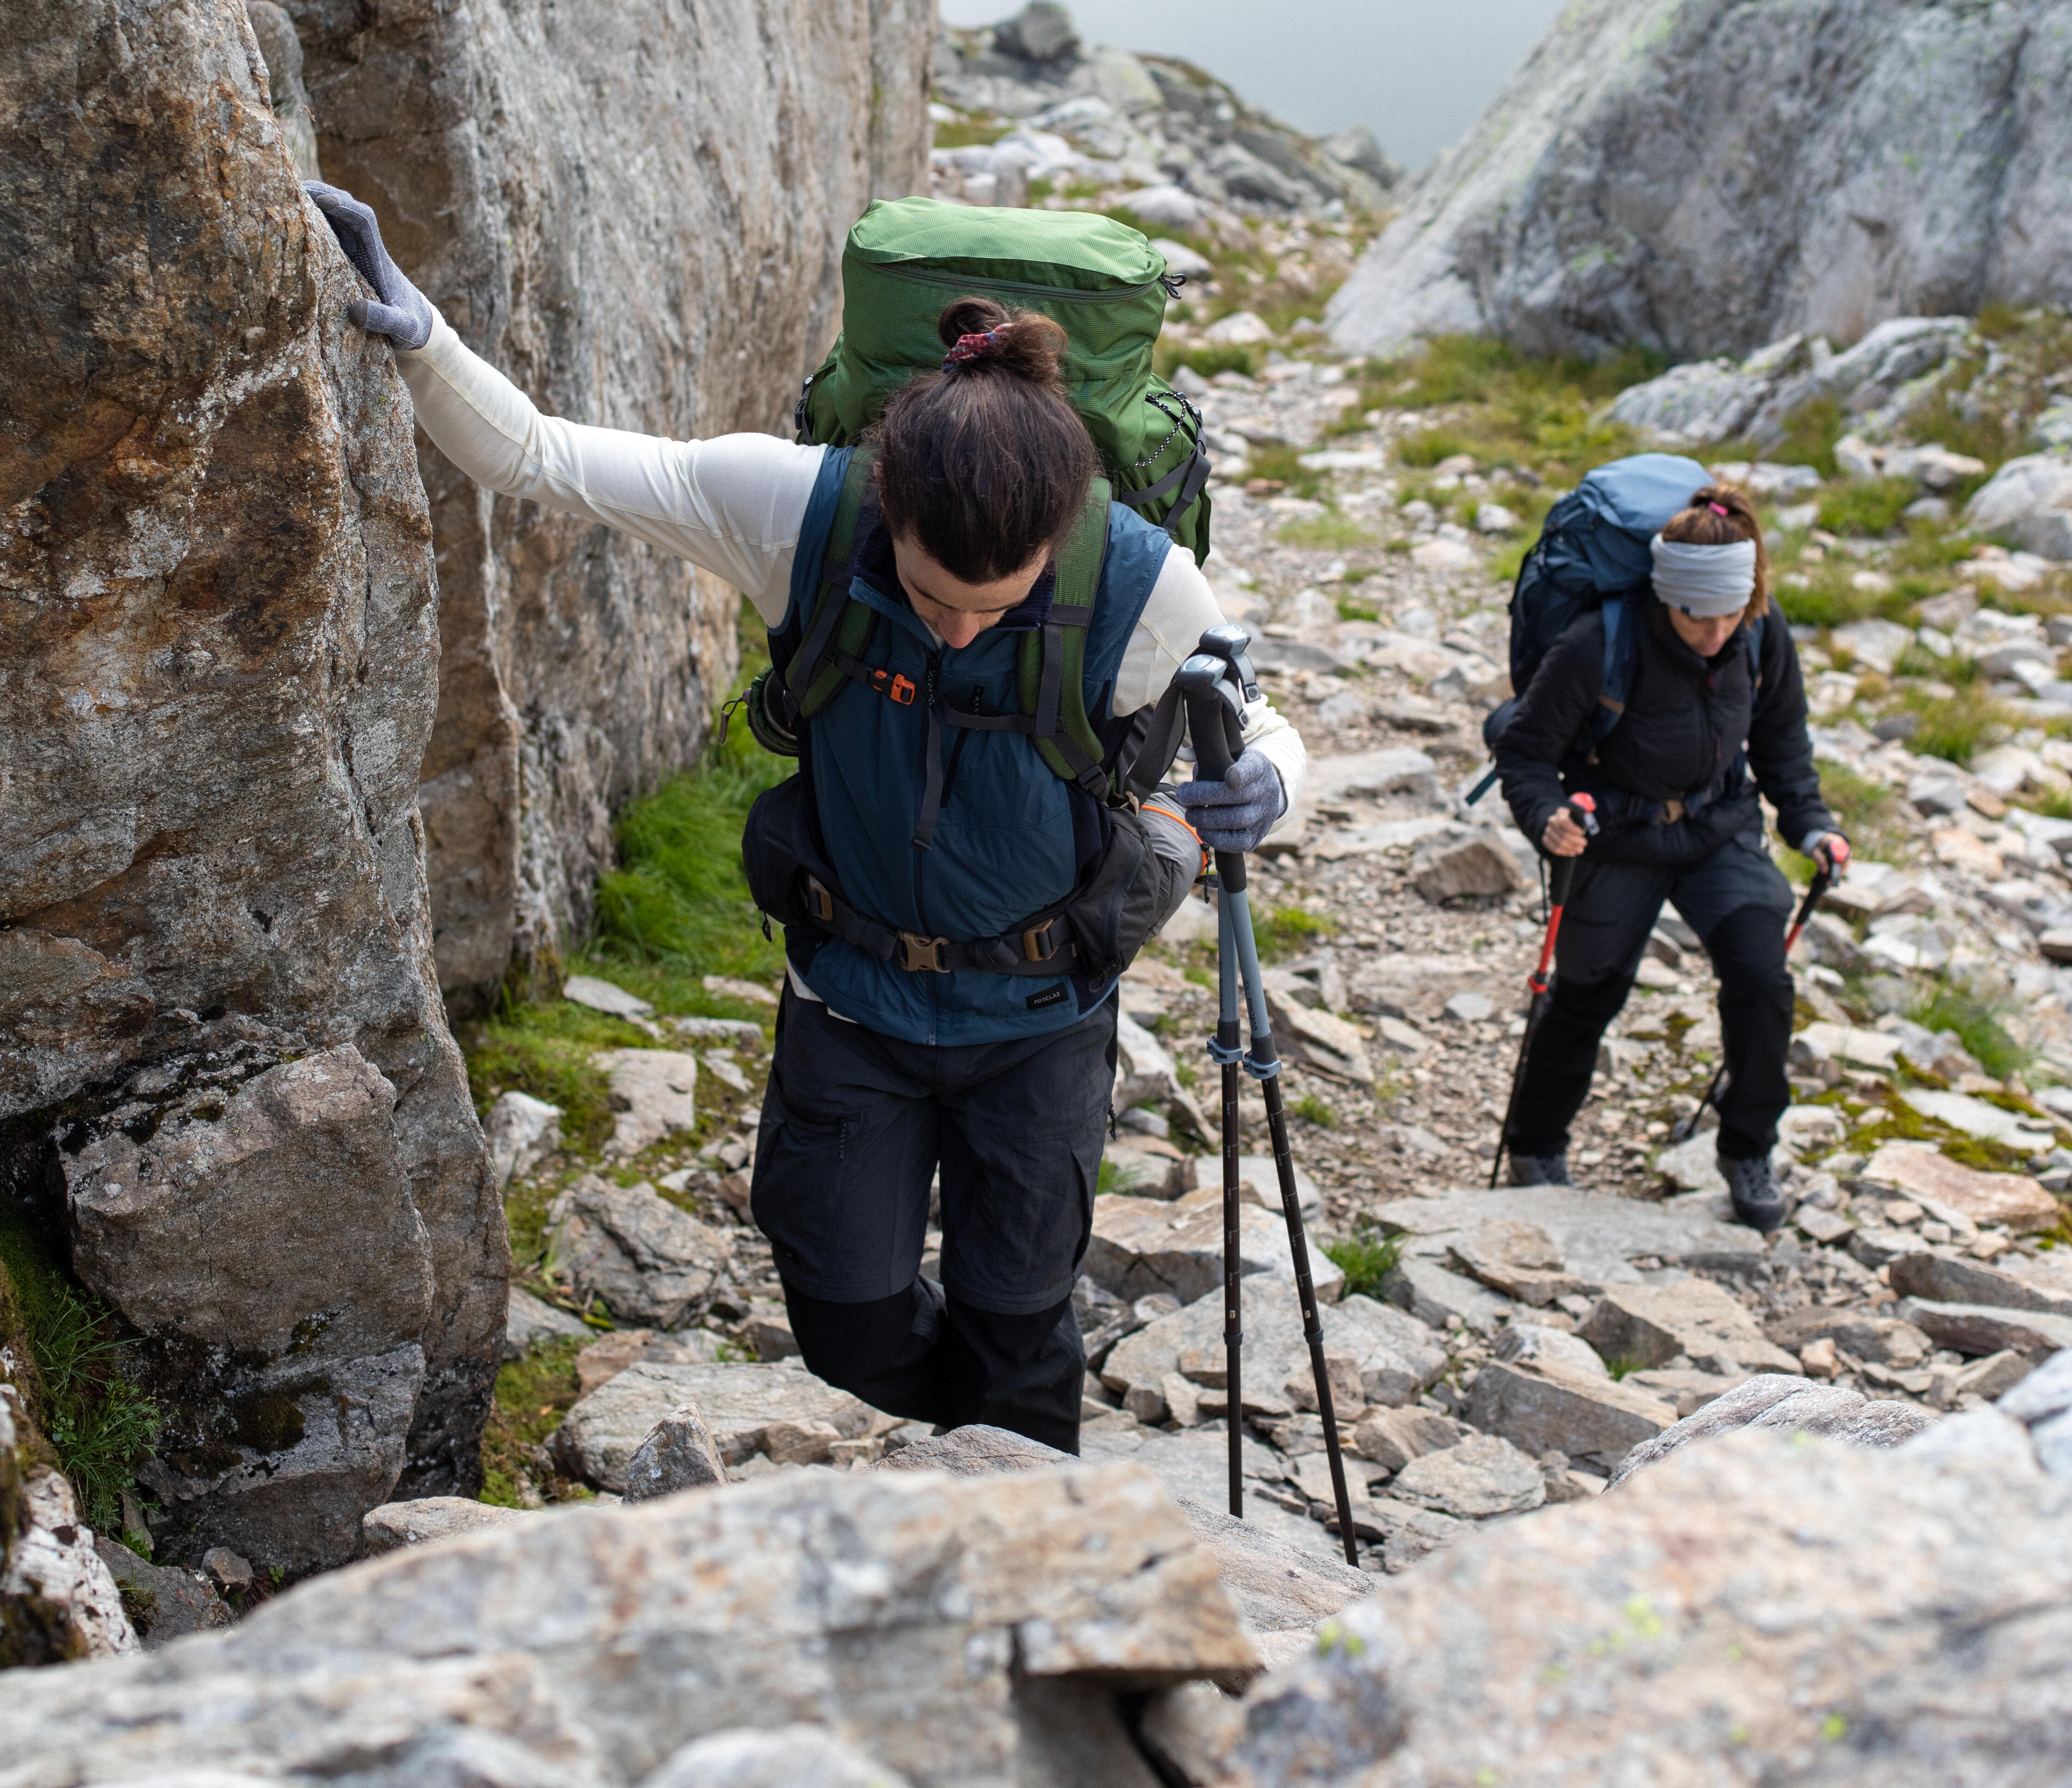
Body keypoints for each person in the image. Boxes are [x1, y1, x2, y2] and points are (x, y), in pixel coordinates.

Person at [306, 184, 1305, 1449]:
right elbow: (542, 457)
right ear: (888, 502)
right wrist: (429, 342)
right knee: (848, 1321)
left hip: (1045, 1019)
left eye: (995, 610)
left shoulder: (1147, 583)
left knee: (1019, 1314)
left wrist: (1265, 785)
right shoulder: (800, 514)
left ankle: (1018, 1541)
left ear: (1059, 541)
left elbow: (1261, 730)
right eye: (937, 597)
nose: (958, 630)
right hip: (854, 1003)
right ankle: (968, 1452)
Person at [1492, 481, 1847, 1229]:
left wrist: (1811, 826)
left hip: (1718, 828)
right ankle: (1535, 1146)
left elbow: (1782, 738)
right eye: (1697, 617)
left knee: (1761, 981)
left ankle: (1747, 1145)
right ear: (1666, 598)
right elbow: (1525, 752)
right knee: (1588, 992)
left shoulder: (1758, 631)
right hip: (1616, 835)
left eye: (1731, 615)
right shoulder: (1600, 642)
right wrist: (1549, 817)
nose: (1716, 632)